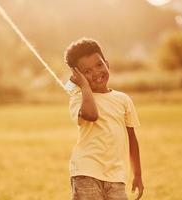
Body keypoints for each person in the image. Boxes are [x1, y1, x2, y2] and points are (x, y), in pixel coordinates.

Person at [64, 38, 144, 200]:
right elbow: (92, 115)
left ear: (107, 64)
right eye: (87, 71)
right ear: (77, 75)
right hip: (85, 172)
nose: (96, 72)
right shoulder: (79, 98)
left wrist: (138, 174)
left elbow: (131, 138)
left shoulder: (123, 99)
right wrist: (84, 87)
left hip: (116, 176)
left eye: (99, 65)